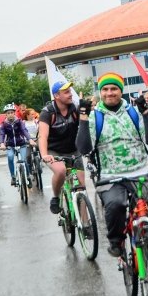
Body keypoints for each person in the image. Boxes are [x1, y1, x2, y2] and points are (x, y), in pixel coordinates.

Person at [75, 73, 148, 258]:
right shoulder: (94, 117)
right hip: (110, 175)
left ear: (121, 91)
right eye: (105, 89)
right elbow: (83, 148)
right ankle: (116, 242)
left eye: (114, 89)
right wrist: (82, 117)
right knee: (115, 206)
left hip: (140, 172)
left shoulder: (133, 112)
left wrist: (146, 113)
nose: (109, 93)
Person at [38, 80, 84, 215]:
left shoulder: (75, 108)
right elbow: (43, 136)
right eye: (66, 92)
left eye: (70, 91)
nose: (70, 94)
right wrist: (44, 155)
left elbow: (86, 129)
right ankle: (56, 197)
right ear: (57, 96)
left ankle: (86, 225)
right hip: (54, 151)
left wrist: (85, 110)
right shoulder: (48, 112)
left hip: (74, 150)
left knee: (82, 188)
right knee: (61, 171)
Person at [0, 103, 35, 187]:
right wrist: (2, 143)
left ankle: (28, 175)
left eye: (12, 112)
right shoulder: (4, 124)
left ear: (14, 113)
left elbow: (24, 130)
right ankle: (13, 177)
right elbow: (2, 134)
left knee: (24, 159)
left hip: (21, 143)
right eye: (8, 113)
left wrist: (30, 139)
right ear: (6, 114)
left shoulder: (19, 121)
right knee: (10, 157)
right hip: (10, 145)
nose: (10, 114)